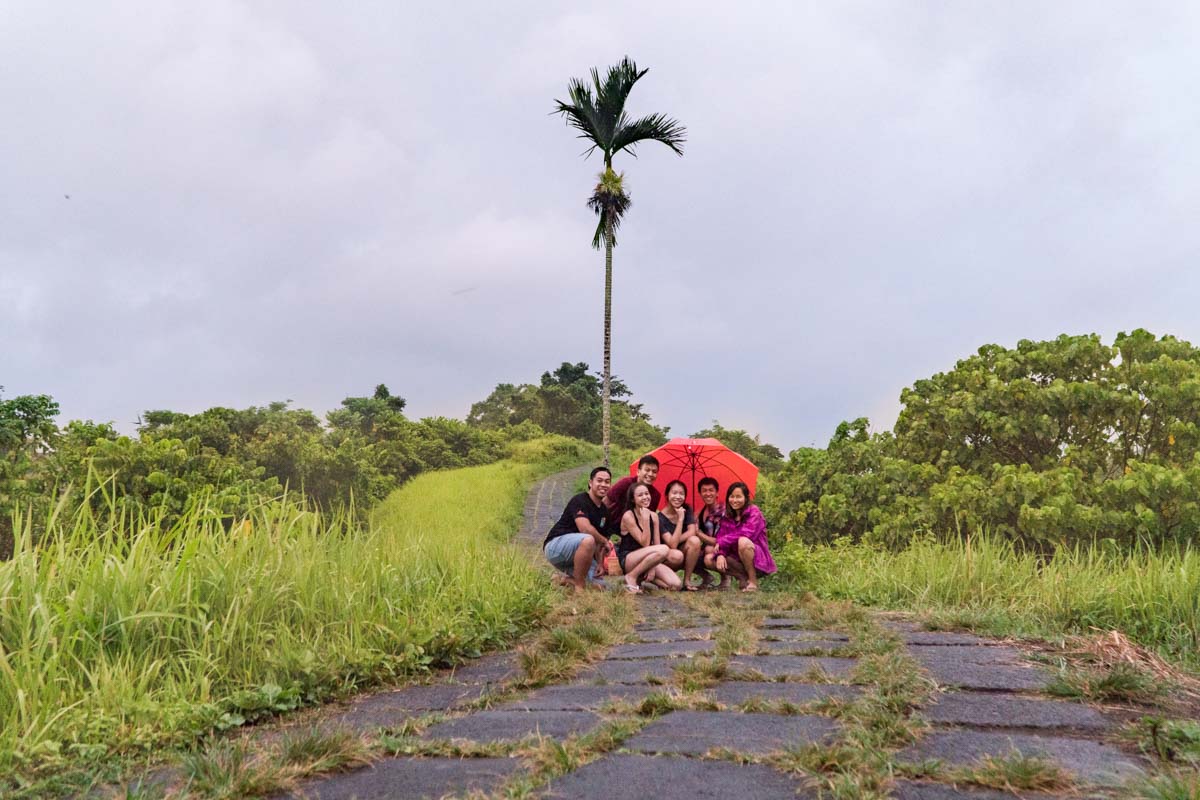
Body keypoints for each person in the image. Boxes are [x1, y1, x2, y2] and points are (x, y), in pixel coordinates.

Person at [542, 466, 612, 593]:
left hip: (581, 555)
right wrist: (604, 541)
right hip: (556, 547)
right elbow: (585, 529)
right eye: (599, 481)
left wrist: (600, 564)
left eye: (607, 482)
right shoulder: (579, 500)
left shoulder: (605, 512)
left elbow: (599, 543)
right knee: (588, 539)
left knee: (600, 587)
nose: (603, 484)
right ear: (590, 483)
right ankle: (579, 588)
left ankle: (562, 580)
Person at [713, 481, 776, 593]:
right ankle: (742, 577)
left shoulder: (754, 512)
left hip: (755, 554)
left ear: (746, 498)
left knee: (743, 541)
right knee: (709, 558)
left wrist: (722, 541)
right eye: (732, 496)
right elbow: (721, 535)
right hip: (736, 555)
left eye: (738, 497)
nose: (734, 500)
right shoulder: (728, 516)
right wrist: (720, 554)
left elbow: (746, 533)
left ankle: (753, 581)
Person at [616, 482, 679, 594]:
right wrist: (645, 519)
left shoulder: (654, 516)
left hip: (648, 559)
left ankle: (640, 578)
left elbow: (656, 545)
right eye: (640, 495)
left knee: (675, 585)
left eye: (646, 493)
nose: (645, 497)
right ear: (632, 500)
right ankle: (631, 576)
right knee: (664, 548)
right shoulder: (628, 516)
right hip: (629, 558)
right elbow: (645, 543)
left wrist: (652, 568)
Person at [658, 480, 703, 591]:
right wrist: (680, 519)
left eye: (681, 493)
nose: (678, 497)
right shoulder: (660, 518)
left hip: (682, 550)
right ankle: (663, 577)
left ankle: (687, 581)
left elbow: (692, 531)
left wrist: (676, 540)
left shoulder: (686, 508)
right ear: (667, 495)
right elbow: (672, 545)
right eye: (674, 493)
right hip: (668, 557)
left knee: (695, 541)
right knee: (677, 555)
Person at [605, 455, 661, 525]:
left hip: (635, 529)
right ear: (638, 472)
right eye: (647, 470)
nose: (650, 474)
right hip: (612, 524)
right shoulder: (625, 483)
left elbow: (648, 518)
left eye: (654, 472)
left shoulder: (656, 495)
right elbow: (606, 502)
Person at [696, 477, 728, 590]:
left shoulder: (723, 512)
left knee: (709, 549)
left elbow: (719, 541)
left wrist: (698, 533)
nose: (708, 493)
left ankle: (726, 578)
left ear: (717, 492)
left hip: (724, 549)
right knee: (689, 552)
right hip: (707, 547)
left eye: (711, 490)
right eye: (704, 490)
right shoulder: (702, 512)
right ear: (700, 493)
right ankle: (706, 577)